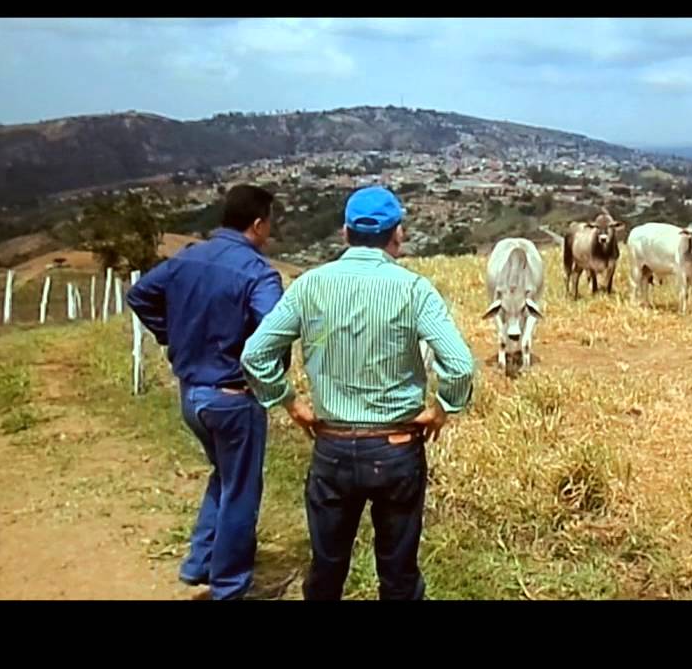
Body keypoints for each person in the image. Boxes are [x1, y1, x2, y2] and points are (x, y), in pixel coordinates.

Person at [240, 185, 475, 601]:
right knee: (399, 574)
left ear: (345, 232)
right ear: (397, 234)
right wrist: (442, 408)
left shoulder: (310, 284)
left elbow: (256, 354)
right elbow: (459, 365)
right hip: (397, 447)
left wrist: (291, 403)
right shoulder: (415, 289)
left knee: (326, 571)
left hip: (331, 446)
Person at [126, 184, 284, 601]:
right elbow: (275, 332)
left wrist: (169, 335)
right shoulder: (258, 272)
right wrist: (273, 380)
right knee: (242, 490)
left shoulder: (187, 258)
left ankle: (201, 561)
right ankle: (230, 586)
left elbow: (139, 294)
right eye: (269, 221)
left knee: (225, 476)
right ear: (257, 223)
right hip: (232, 395)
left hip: (191, 393)